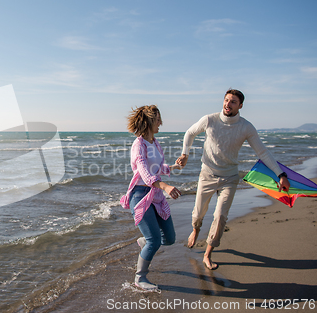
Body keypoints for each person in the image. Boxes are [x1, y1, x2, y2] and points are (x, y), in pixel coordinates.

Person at [177, 89, 290, 270]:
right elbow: (190, 133)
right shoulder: (209, 120)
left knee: (220, 216)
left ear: (241, 106)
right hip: (207, 174)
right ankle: (196, 230)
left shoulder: (246, 127)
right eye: (226, 100)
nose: (228, 104)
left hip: (229, 177)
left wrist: (281, 175)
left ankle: (208, 254)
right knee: (198, 213)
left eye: (233, 102)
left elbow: (263, 152)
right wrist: (185, 154)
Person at [120, 105, 182, 291]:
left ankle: (145, 242)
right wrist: (164, 185)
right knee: (155, 240)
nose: (161, 123)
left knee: (169, 238)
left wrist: (173, 167)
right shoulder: (138, 145)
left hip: (155, 196)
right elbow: (145, 174)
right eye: (157, 120)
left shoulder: (154, 143)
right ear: (148, 122)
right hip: (140, 196)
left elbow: (157, 168)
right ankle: (140, 278)